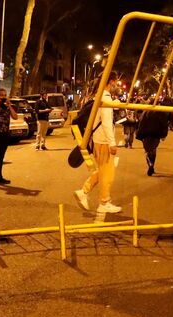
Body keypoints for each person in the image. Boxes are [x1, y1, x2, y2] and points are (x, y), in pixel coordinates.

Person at [73, 72, 122, 213]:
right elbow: (106, 123)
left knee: (103, 171)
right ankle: (104, 202)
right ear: (111, 82)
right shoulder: (104, 98)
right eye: (116, 83)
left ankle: (84, 191)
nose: (116, 85)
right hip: (103, 142)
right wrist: (112, 143)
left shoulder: (99, 96)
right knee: (108, 174)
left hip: (97, 141)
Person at [136, 98, 171, 176]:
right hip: (156, 135)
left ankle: (150, 165)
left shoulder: (146, 112)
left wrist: (139, 134)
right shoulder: (160, 113)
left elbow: (140, 123)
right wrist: (164, 134)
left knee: (148, 151)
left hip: (146, 135)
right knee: (153, 150)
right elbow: (164, 124)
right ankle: (152, 165)